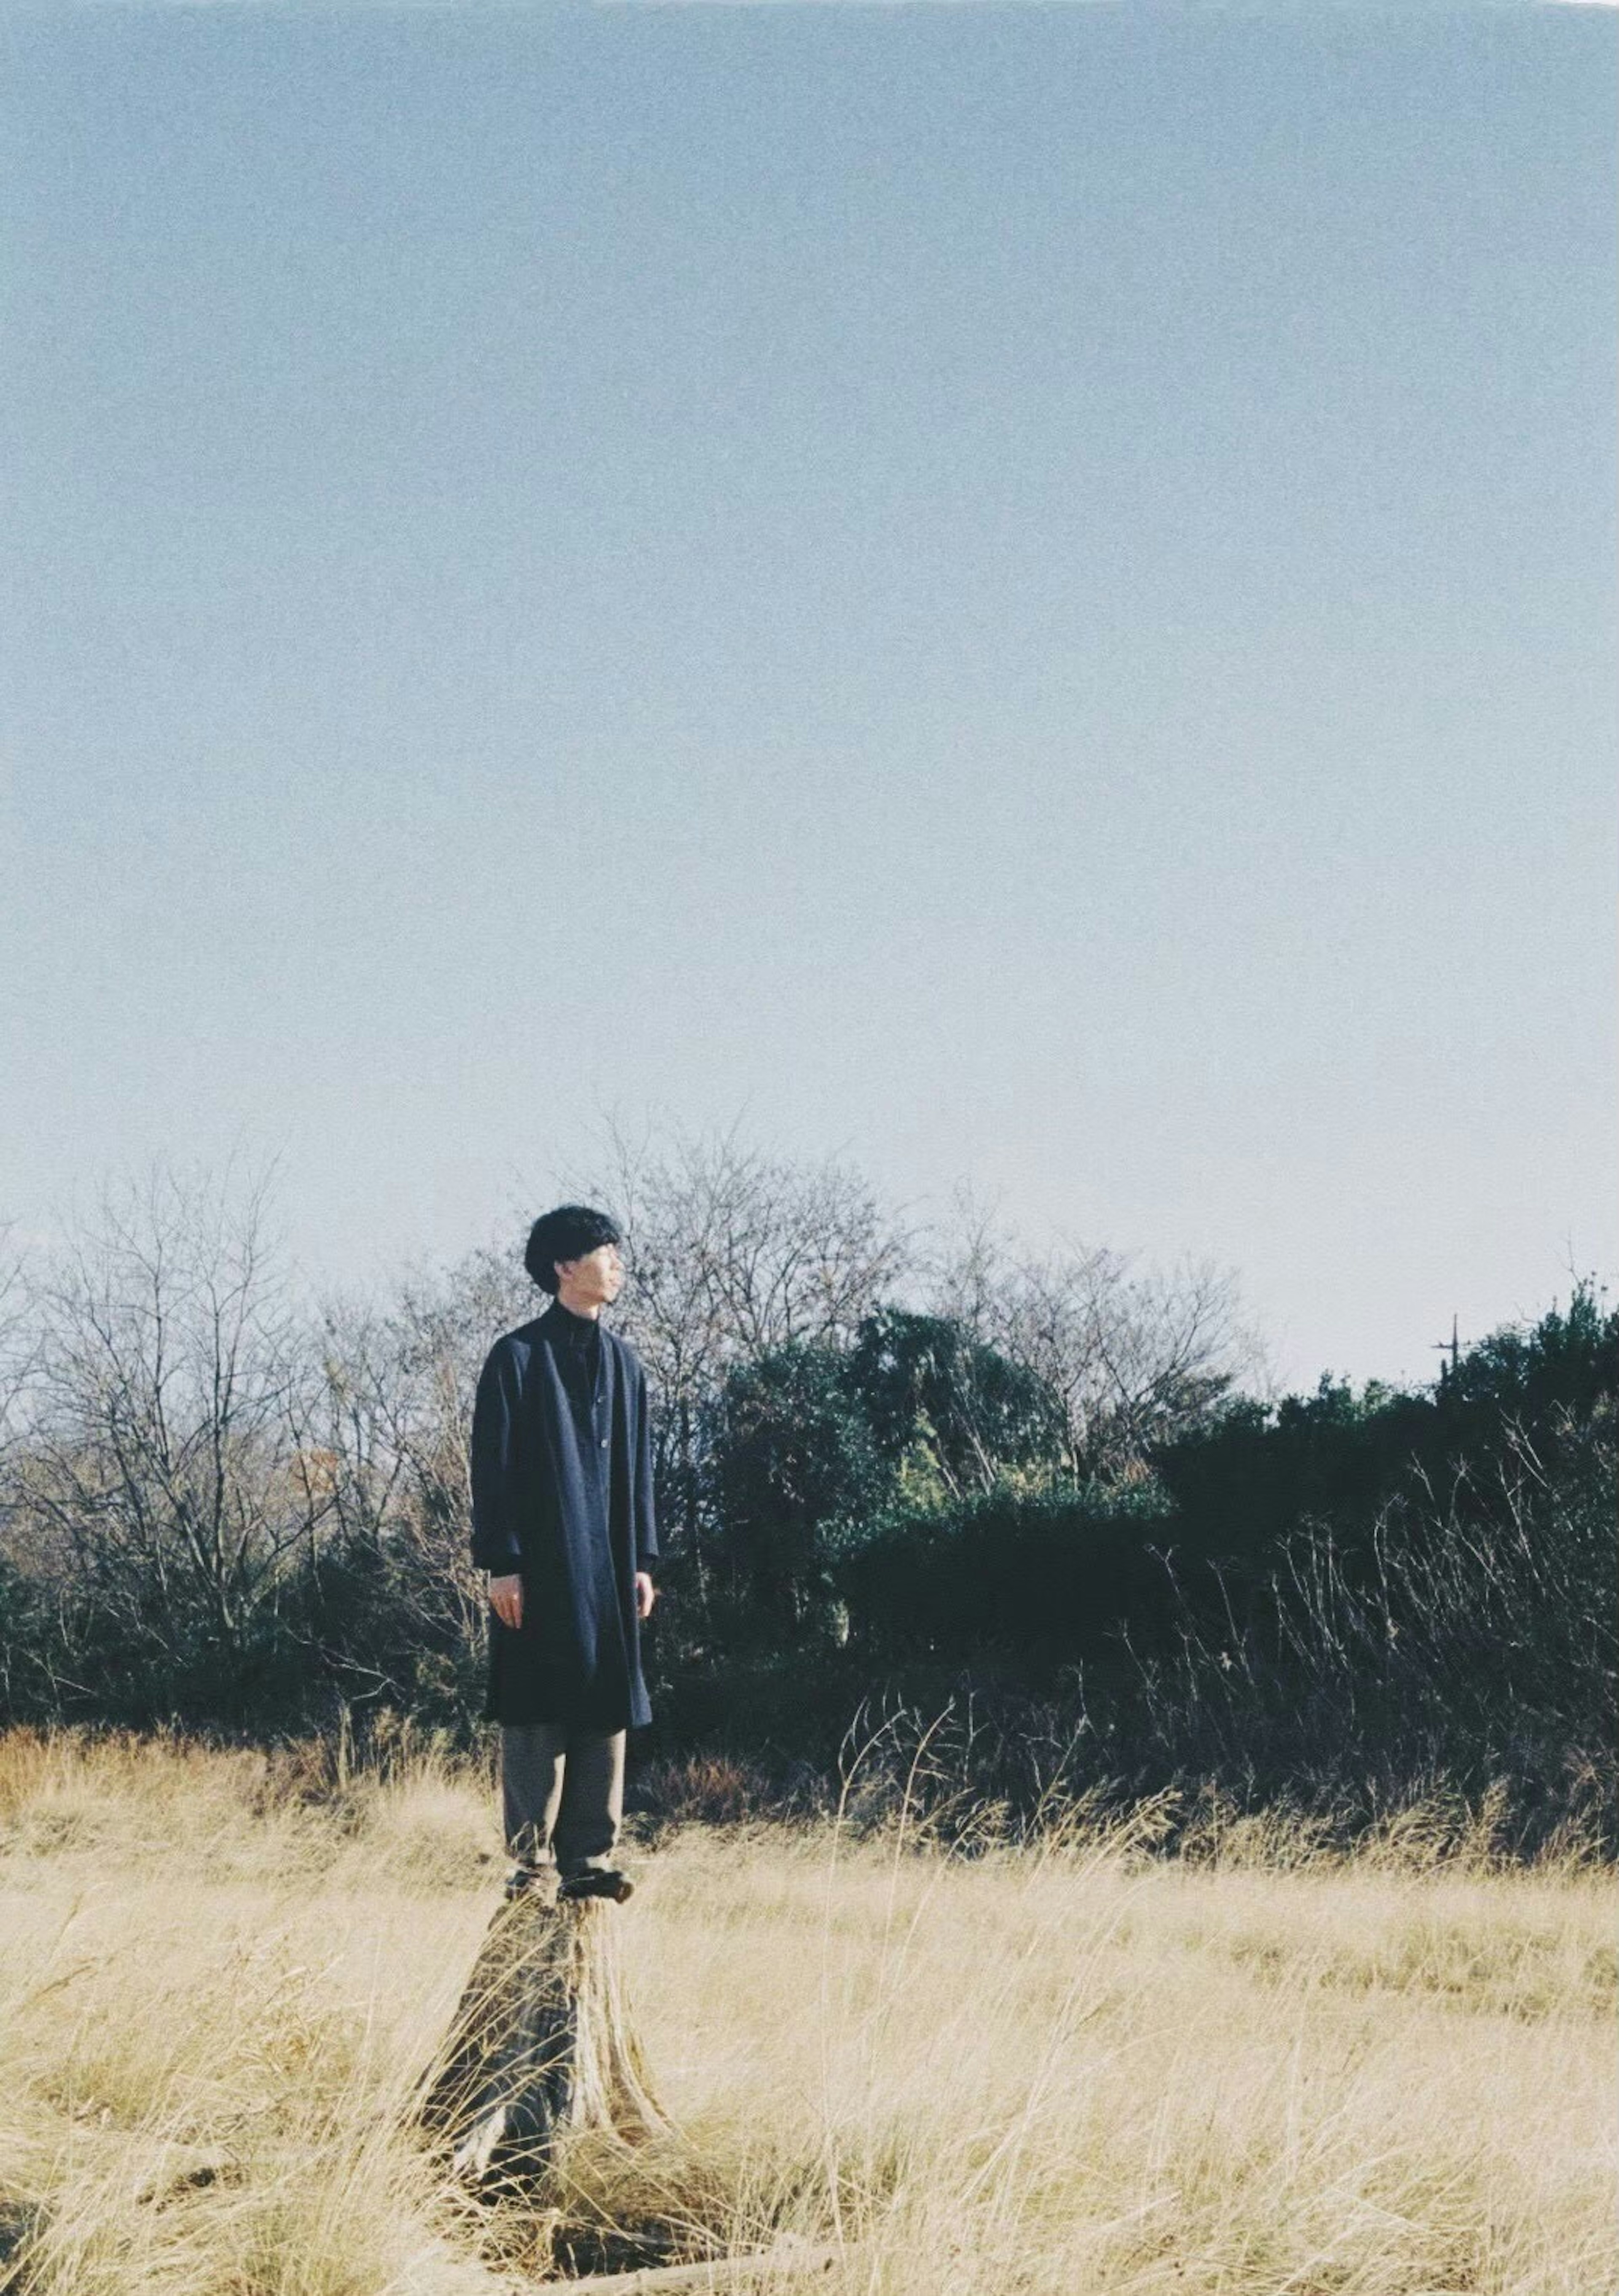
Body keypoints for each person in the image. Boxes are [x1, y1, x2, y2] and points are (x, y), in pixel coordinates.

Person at [470, 1204, 659, 1903]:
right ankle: (531, 1862)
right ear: (563, 1266)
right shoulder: (516, 1358)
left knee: (605, 1699)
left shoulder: (626, 1364)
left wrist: (642, 1559)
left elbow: (639, 1469)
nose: (617, 1264)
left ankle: (590, 1858)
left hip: (609, 1569)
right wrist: (502, 1562)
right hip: (538, 1567)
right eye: (605, 1251)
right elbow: (491, 1468)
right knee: (534, 1706)